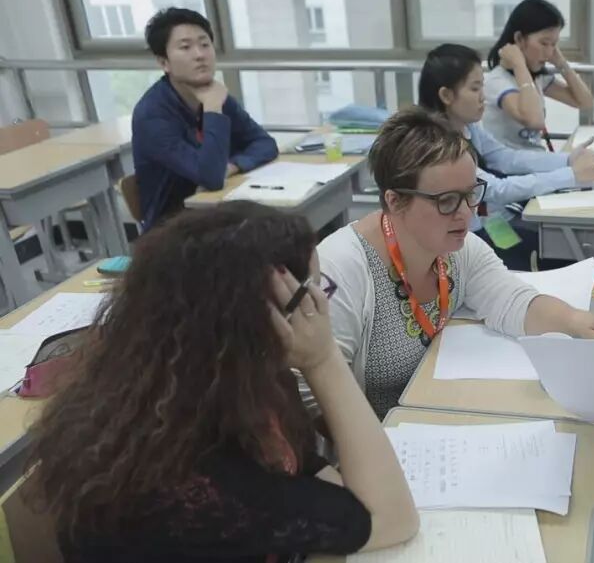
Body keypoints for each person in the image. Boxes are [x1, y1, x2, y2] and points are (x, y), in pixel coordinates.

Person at [27, 201, 419, 561]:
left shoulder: (187, 390)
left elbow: (316, 477)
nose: (319, 312)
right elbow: (390, 518)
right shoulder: (197, 483)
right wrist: (323, 359)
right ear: (262, 321)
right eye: (310, 298)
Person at [317, 107, 594, 418]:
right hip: (379, 434)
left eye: (471, 194)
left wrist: (580, 321)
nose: (466, 213)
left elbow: (512, 300)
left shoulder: (459, 249)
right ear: (395, 201)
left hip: (441, 412)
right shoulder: (342, 268)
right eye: (446, 201)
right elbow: (315, 399)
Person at [418, 43, 594, 270]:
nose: (483, 97)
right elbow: (496, 189)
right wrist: (571, 175)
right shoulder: (437, 145)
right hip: (466, 242)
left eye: (482, 86)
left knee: (557, 249)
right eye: (475, 89)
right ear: (446, 95)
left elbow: (507, 158)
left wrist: (567, 160)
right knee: (555, 256)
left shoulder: (467, 126)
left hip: (489, 224)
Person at [132, 7, 278, 229]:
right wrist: (212, 109)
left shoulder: (214, 95)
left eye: (204, 44)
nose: (199, 55)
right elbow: (211, 177)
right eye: (185, 47)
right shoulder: (152, 116)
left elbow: (265, 143)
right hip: (174, 228)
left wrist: (233, 166)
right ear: (164, 63)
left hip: (218, 210)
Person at [483, 0, 593, 151]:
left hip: (535, 159)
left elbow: (585, 102)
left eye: (554, 45)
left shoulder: (536, 77)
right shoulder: (497, 81)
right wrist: (519, 64)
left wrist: (561, 63)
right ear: (519, 38)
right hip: (509, 164)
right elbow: (535, 120)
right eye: (544, 43)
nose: (549, 52)